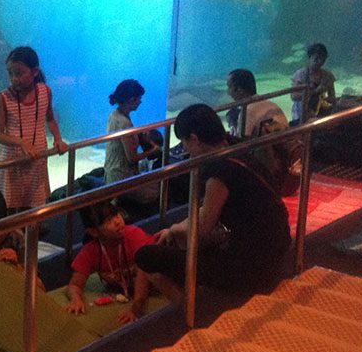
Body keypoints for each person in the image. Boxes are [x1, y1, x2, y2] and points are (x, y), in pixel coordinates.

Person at [135, 104, 291, 301]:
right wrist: (176, 229)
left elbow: (202, 228)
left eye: (184, 142)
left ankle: (196, 310)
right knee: (181, 238)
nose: (185, 150)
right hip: (277, 250)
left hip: (253, 267)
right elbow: (208, 211)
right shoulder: (237, 147)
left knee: (146, 256)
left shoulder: (220, 169)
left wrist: (174, 229)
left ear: (194, 139)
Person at [0, 47, 68, 214]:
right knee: (11, 207)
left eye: (18, 73)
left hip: (37, 156)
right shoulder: (4, 98)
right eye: (10, 73)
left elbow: (50, 118)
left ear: (34, 72)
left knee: (34, 204)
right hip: (13, 160)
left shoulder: (45, 92)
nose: (14, 79)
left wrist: (58, 139)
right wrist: (21, 142)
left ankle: (32, 234)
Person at [64, 200, 152, 324]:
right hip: (126, 291)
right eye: (108, 221)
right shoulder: (91, 250)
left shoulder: (134, 235)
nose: (117, 221)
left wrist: (135, 310)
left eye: (116, 214)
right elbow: (74, 285)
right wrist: (76, 299)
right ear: (93, 231)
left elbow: (145, 277)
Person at [104, 79, 160, 207]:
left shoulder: (115, 115)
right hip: (121, 178)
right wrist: (153, 149)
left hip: (112, 173)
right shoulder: (125, 123)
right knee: (156, 190)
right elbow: (132, 158)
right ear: (131, 100)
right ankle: (122, 202)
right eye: (139, 98)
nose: (141, 101)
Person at [226, 68, 289, 137]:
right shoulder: (271, 104)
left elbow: (242, 142)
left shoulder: (247, 111)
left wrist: (233, 128)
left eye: (229, 87)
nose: (228, 92)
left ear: (240, 90)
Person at [290, 43, 337, 124]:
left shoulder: (328, 75)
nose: (319, 62)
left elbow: (332, 98)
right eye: (316, 58)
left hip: (320, 113)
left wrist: (324, 101)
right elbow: (294, 96)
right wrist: (314, 92)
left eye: (323, 59)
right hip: (301, 115)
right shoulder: (300, 74)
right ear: (309, 57)